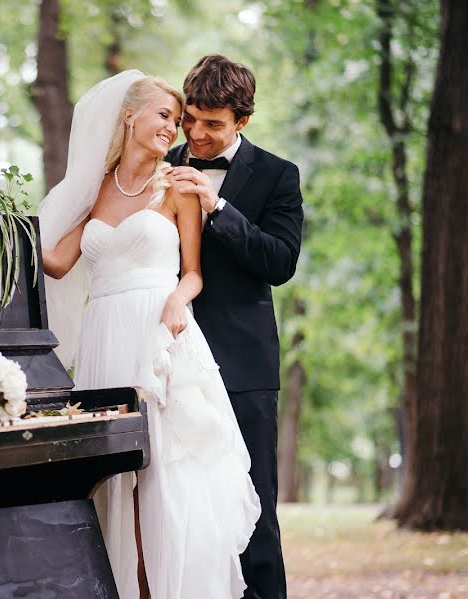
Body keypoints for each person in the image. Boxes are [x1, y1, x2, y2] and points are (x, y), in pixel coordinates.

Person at [39, 70, 260, 599]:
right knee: (111, 478)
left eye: (175, 119)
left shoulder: (178, 184)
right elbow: (54, 262)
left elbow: (193, 273)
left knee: (163, 477)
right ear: (128, 115)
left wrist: (176, 303)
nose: (174, 127)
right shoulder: (95, 190)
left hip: (157, 334)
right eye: (165, 115)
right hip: (103, 336)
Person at [167, 55, 305, 599]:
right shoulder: (160, 163)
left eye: (213, 124)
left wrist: (217, 206)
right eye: (190, 120)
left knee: (253, 506)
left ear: (242, 121)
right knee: (175, 503)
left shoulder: (277, 175)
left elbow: (280, 263)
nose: (197, 135)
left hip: (242, 367)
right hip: (168, 358)